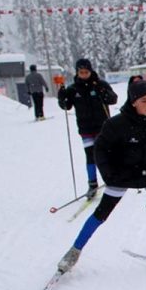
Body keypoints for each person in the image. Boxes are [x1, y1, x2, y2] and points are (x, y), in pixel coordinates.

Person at [57, 78, 146, 273]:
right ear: (133, 102)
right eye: (143, 101)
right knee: (102, 213)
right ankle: (73, 252)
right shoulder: (117, 123)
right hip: (122, 174)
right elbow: (100, 149)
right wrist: (108, 175)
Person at [58, 58, 118, 198]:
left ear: (90, 71)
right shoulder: (73, 88)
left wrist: (104, 93)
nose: (84, 74)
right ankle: (92, 184)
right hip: (85, 129)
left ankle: (111, 179)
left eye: (86, 72)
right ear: (77, 72)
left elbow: (113, 99)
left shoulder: (100, 84)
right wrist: (62, 97)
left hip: (102, 128)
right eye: (81, 72)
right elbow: (66, 106)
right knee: (90, 156)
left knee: (104, 155)